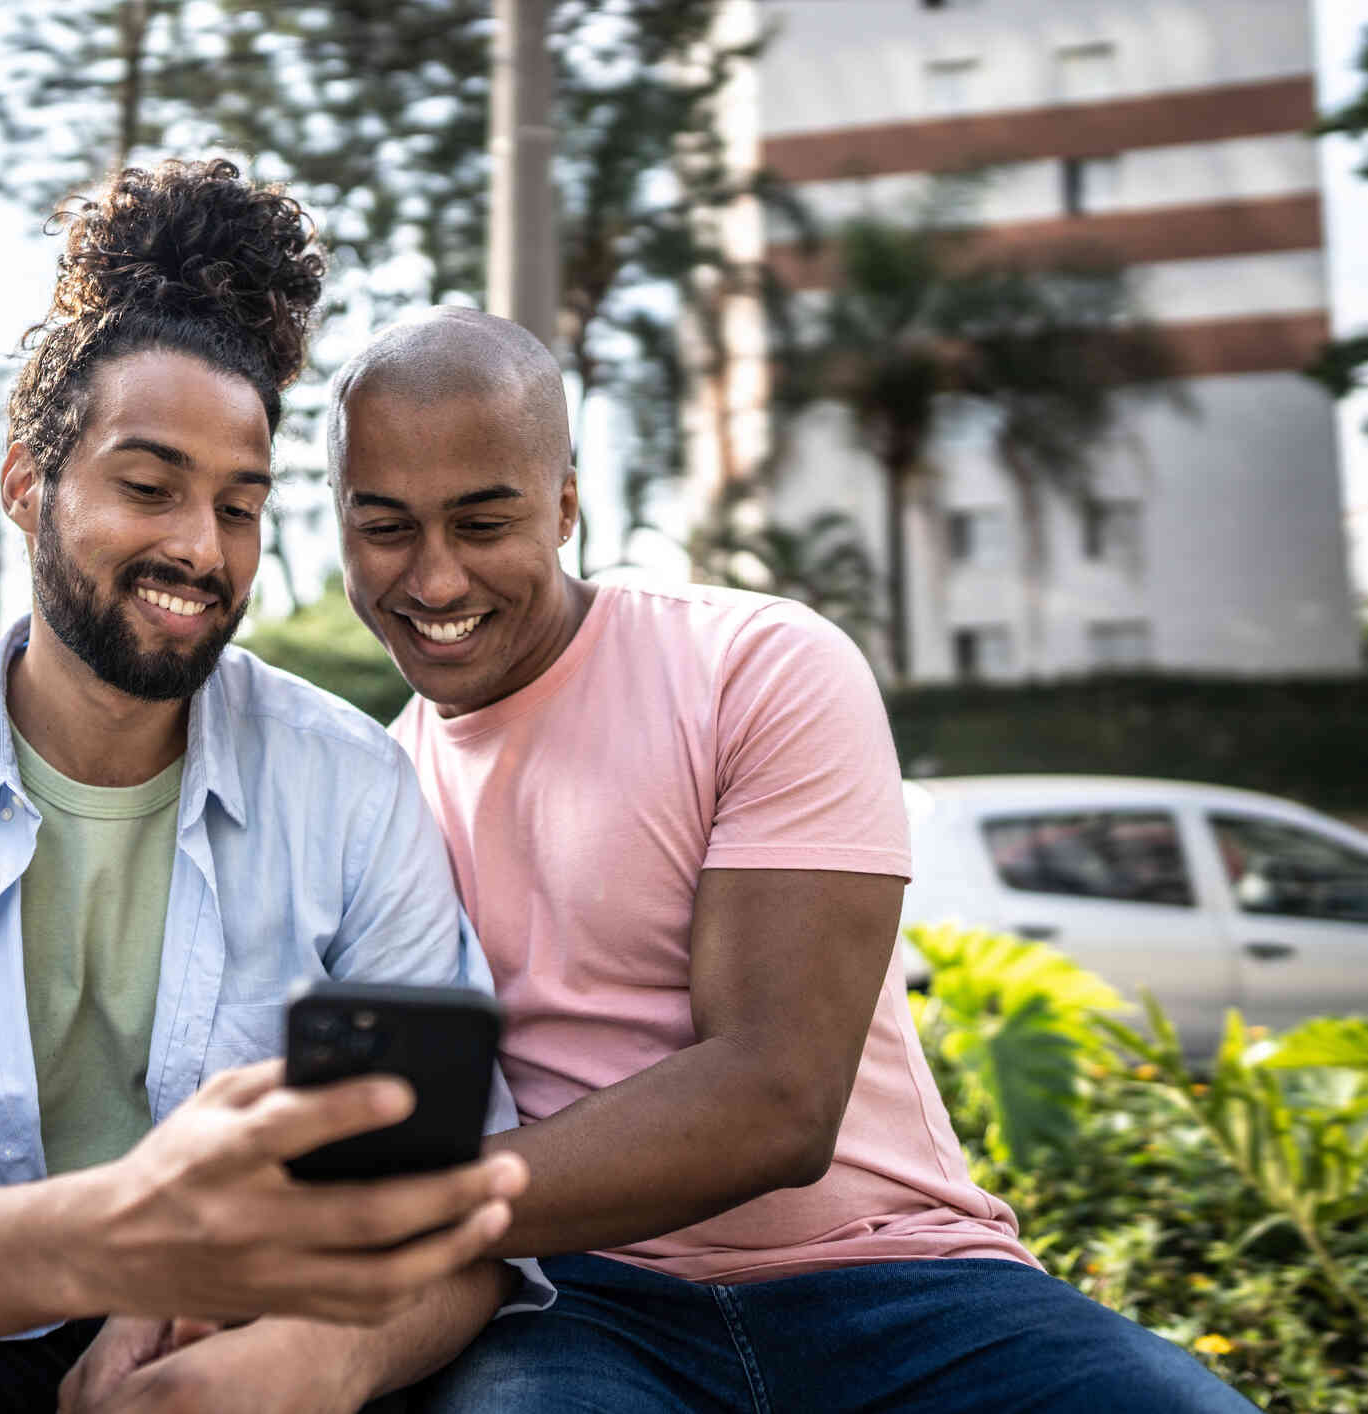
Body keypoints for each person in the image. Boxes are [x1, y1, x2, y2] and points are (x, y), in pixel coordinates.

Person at [0, 168, 544, 1414]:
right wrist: (128, 1239)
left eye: (239, 506)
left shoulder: (349, 783)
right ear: (31, 486)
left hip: (252, 1323)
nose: (201, 546)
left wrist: (316, 1354)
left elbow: (457, 1212)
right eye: (149, 487)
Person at [324, 306, 1255, 1413]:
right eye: (386, 529)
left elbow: (775, 1097)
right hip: (576, 1305)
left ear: (566, 503)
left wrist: (412, 1205)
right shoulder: (372, 793)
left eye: (483, 524)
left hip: (895, 1276)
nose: (433, 581)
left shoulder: (755, 664)